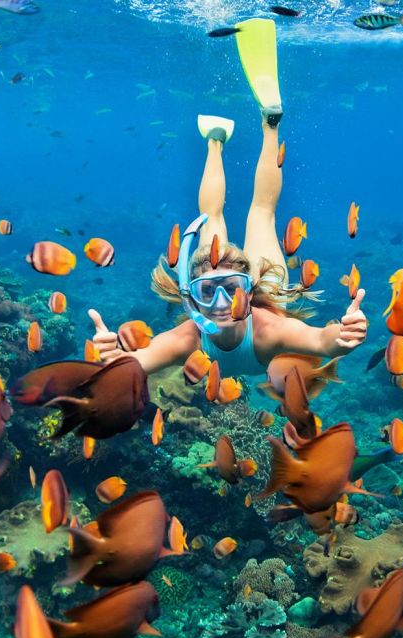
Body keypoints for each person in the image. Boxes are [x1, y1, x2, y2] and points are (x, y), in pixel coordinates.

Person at [88, 18, 367, 376]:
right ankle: (257, 127)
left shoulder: (268, 329)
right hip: (270, 288)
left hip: (266, 295)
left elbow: (321, 341)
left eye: (232, 288)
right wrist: (114, 359)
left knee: (227, 215)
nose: (221, 302)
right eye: (208, 292)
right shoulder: (187, 338)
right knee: (260, 213)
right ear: (192, 296)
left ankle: (224, 137)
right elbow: (135, 365)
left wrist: (341, 337)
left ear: (248, 291)